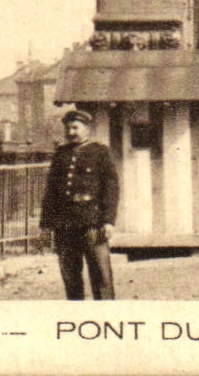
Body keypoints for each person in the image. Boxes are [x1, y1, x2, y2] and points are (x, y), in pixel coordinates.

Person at [40, 107, 118, 300]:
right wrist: (46, 225)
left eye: (75, 128)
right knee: (70, 277)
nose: (71, 132)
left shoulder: (100, 152)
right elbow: (51, 192)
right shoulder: (60, 155)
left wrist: (108, 221)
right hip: (65, 225)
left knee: (101, 277)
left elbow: (111, 189)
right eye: (68, 128)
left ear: (86, 129)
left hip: (93, 223)